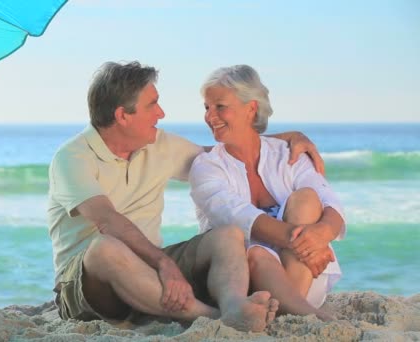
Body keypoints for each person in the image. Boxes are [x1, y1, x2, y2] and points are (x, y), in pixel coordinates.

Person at [48, 61, 321, 332]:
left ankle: (234, 305)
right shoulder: (72, 157)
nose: (161, 113)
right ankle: (213, 318)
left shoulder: (159, 144)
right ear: (123, 116)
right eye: (152, 105)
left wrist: (287, 138)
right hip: (88, 286)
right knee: (103, 247)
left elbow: (223, 155)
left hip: (149, 271)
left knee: (229, 234)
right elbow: (108, 221)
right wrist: (164, 264)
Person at [189, 65, 346, 321]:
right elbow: (235, 215)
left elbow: (330, 202)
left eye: (220, 106)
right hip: (241, 280)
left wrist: (321, 235)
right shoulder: (207, 166)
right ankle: (309, 317)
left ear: (251, 108)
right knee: (257, 253)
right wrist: (307, 245)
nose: (210, 116)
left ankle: (291, 308)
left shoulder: (288, 153)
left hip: (305, 272)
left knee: (307, 199)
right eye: (206, 107)